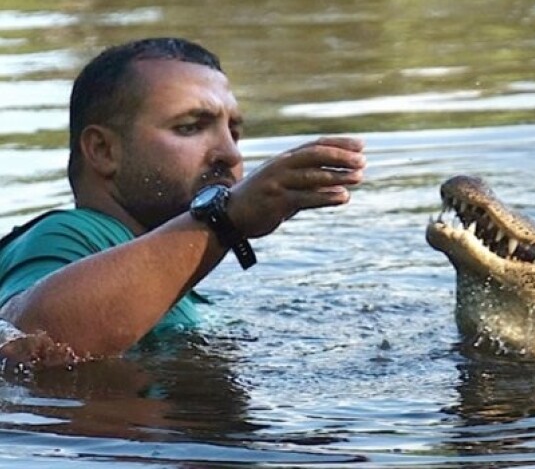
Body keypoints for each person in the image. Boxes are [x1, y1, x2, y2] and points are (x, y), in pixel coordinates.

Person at [0, 37, 366, 369]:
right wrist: (225, 218)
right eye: (191, 126)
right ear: (103, 150)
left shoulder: (171, 280)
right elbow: (24, 340)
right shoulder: (69, 234)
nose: (229, 153)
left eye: (233, 131)